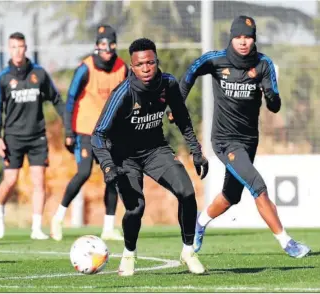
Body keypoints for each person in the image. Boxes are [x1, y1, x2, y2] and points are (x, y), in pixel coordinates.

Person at [178, 16, 311, 258]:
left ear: (254, 39)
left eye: (248, 37)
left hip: (249, 140)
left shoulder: (264, 64)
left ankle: (199, 222)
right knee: (258, 187)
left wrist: (271, 95)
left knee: (231, 197)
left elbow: (275, 106)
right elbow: (191, 73)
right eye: (238, 36)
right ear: (231, 37)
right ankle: (287, 242)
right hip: (223, 141)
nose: (243, 41)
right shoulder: (215, 60)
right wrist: (177, 106)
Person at [91, 38, 209, 276]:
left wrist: (196, 151)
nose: (146, 68)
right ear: (132, 67)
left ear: (157, 62)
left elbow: (182, 118)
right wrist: (107, 166)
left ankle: (188, 251)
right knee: (136, 208)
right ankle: (128, 254)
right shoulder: (123, 93)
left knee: (187, 192)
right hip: (124, 157)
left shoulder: (168, 84)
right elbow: (98, 134)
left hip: (156, 150)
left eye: (150, 62)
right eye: (140, 64)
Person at [50, 25, 127, 241]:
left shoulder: (122, 68)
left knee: (113, 177)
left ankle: (108, 227)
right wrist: (68, 131)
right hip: (84, 131)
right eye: (103, 44)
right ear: (96, 46)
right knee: (83, 173)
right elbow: (71, 99)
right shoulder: (85, 68)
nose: (107, 48)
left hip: (110, 133)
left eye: (111, 44)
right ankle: (57, 218)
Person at [0, 32, 65, 240]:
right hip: (13, 137)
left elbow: (57, 100)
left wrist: (68, 125)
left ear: (26, 48)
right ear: (9, 49)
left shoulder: (39, 74)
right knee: (11, 180)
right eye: (13, 47)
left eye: (21, 46)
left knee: (39, 182)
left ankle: (36, 228)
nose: (17, 50)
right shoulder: (3, 78)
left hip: (37, 137)